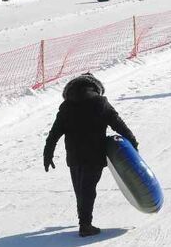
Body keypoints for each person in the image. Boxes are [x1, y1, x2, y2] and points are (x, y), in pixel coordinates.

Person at [43, 73, 139, 238]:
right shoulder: (100, 102)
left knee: (80, 189)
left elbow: (54, 133)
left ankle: (84, 219)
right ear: (95, 87)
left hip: (73, 156)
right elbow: (119, 124)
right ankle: (85, 225)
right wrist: (133, 144)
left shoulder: (66, 106)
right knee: (88, 189)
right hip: (94, 154)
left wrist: (48, 153)